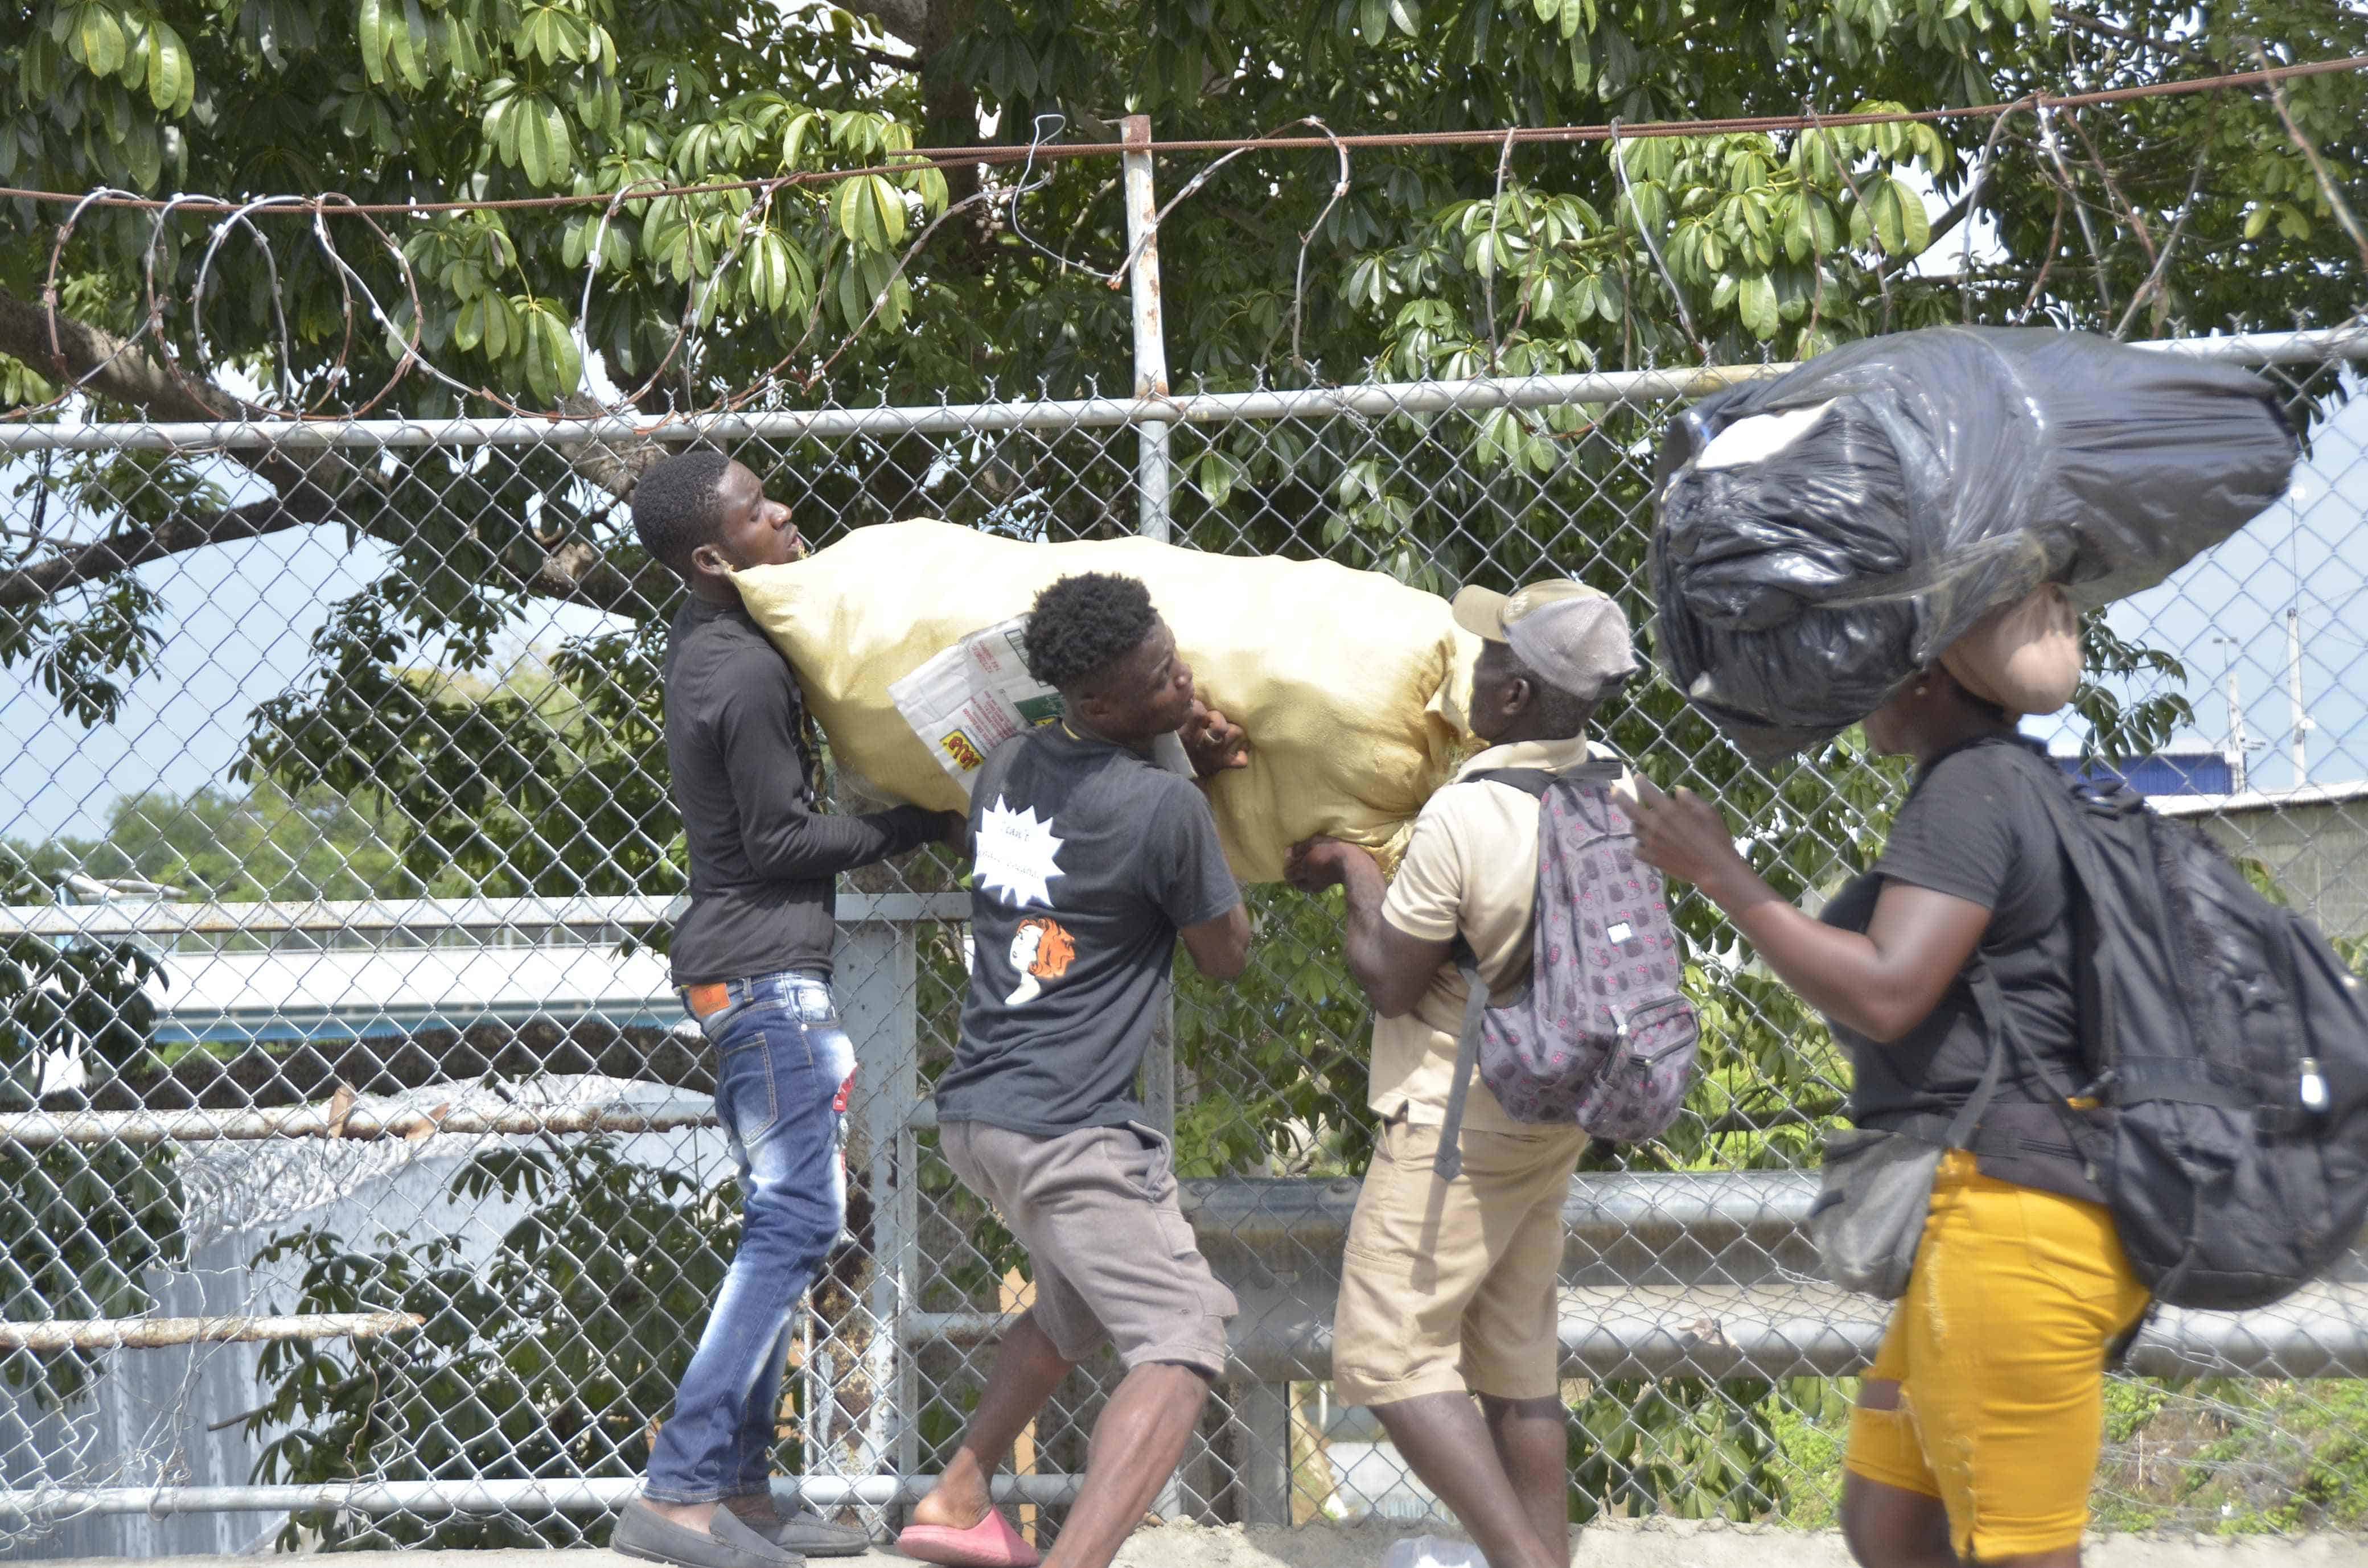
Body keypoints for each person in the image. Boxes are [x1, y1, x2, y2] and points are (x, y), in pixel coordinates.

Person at [1621, 662, 2148, 1568]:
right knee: (1892, 1521)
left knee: (2015, 1550)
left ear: (1925, 679)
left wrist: (1722, 875)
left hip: (2014, 1220)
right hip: (1985, 1206)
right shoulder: (2007, 779)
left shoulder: (1974, 787)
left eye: (1871, 665)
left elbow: (1888, 992)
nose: (1854, 688)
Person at [613, 450, 967, 1568]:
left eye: (770, 491)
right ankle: (677, 1496)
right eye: (758, 512)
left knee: (784, 1215)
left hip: (752, 968)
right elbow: (776, 843)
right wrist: (920, 820)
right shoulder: (743, 676)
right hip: (766, 976)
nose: (786, 511)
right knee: (801, 1220)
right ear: (714, 556)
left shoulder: (716, 635)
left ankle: (750, 1497)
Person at [898, 571, 1253, 1568]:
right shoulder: (1165, 811)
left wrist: (1181, 768)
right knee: (1181, 1343)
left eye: (1175, 658)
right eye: (1159, 680)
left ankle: (957, 1497)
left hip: (981, 1113)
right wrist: (1205, 797)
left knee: (1068, 1314)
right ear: (1098, 702)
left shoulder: (1004, 763)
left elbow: (1096, 853)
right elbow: (1226, 954)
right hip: (1072, 1126)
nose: (1184, 683)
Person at [1285, 579, 1641, 1568]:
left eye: (1489, 661)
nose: (1470, 674)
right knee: (1517, 1360)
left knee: (1387, 1356)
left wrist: (1354, 867)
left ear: (1516, 697)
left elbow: (1392, 981)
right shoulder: (1618, 781)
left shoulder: (1468, 813)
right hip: (1560, 1103)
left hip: (1459, 1113)